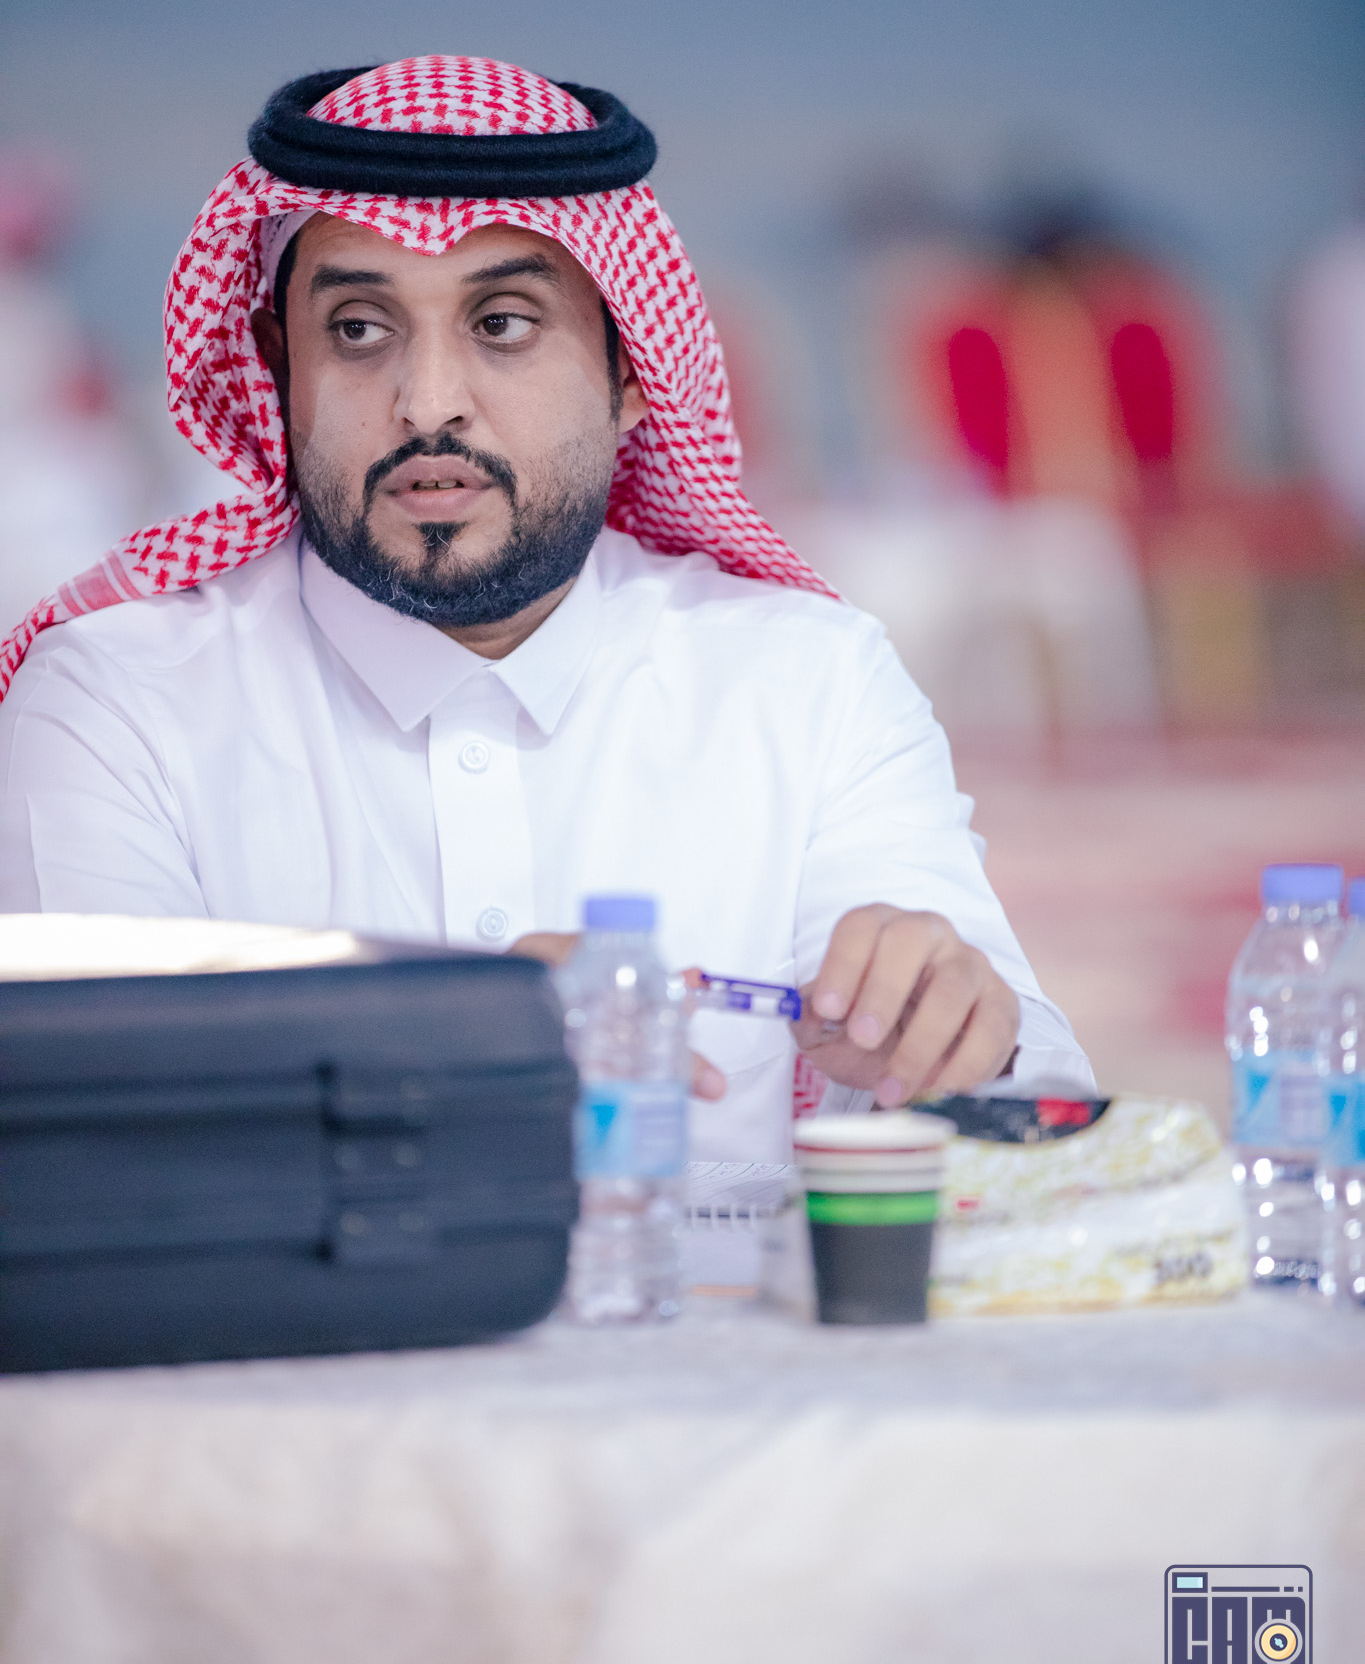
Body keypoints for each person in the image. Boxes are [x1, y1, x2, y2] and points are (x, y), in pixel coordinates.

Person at [0, 57, 1091, 1159]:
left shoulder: (811, 686)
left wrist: (961, 1040)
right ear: (281, 369)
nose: (429, 405)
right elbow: (91, 1148)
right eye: (360, 330)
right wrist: (447, 1040)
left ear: (632, 371)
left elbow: (1039, 1120)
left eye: (505, 323)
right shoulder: (121, 706)